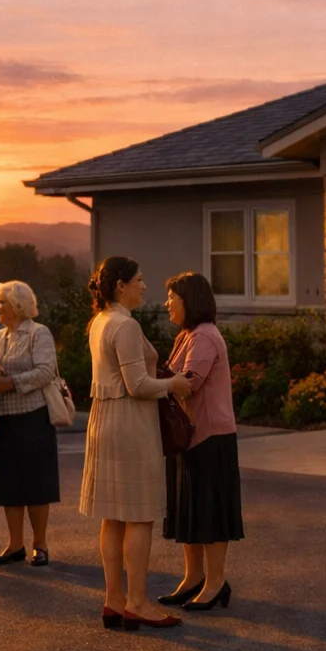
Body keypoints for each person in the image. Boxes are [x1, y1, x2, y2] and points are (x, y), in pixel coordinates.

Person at [81, 256, 191, 630]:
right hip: (129, 423)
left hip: (105, 421)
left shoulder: (100, 321)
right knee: (140, 514)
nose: (146, 286)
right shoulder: (123, 325)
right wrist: (174, 385)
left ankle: (114, 600)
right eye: (140, 280)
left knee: (114, 515)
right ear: (120, 286)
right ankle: (138, 602)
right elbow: (138, 386)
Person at [159, 272, 243, 611]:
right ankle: (193, 578)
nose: (167, 304)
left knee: (209, 512)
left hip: (210, 437)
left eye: (172, 298)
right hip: (189, 437)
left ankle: (215, 582)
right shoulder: (187, 335)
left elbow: (189, 382)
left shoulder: (205, 337)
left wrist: (146, 380)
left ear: (189, 300)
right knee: (189, 511)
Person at [0, 279, 61, 567]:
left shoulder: (38, 334)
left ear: (17, 305)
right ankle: (14, 544)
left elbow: (46, 372)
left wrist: (12, 382)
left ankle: (39, 545)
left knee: (36, 484)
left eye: (1, 302)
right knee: (8, 485)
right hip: (2, 419)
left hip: (33, 418)